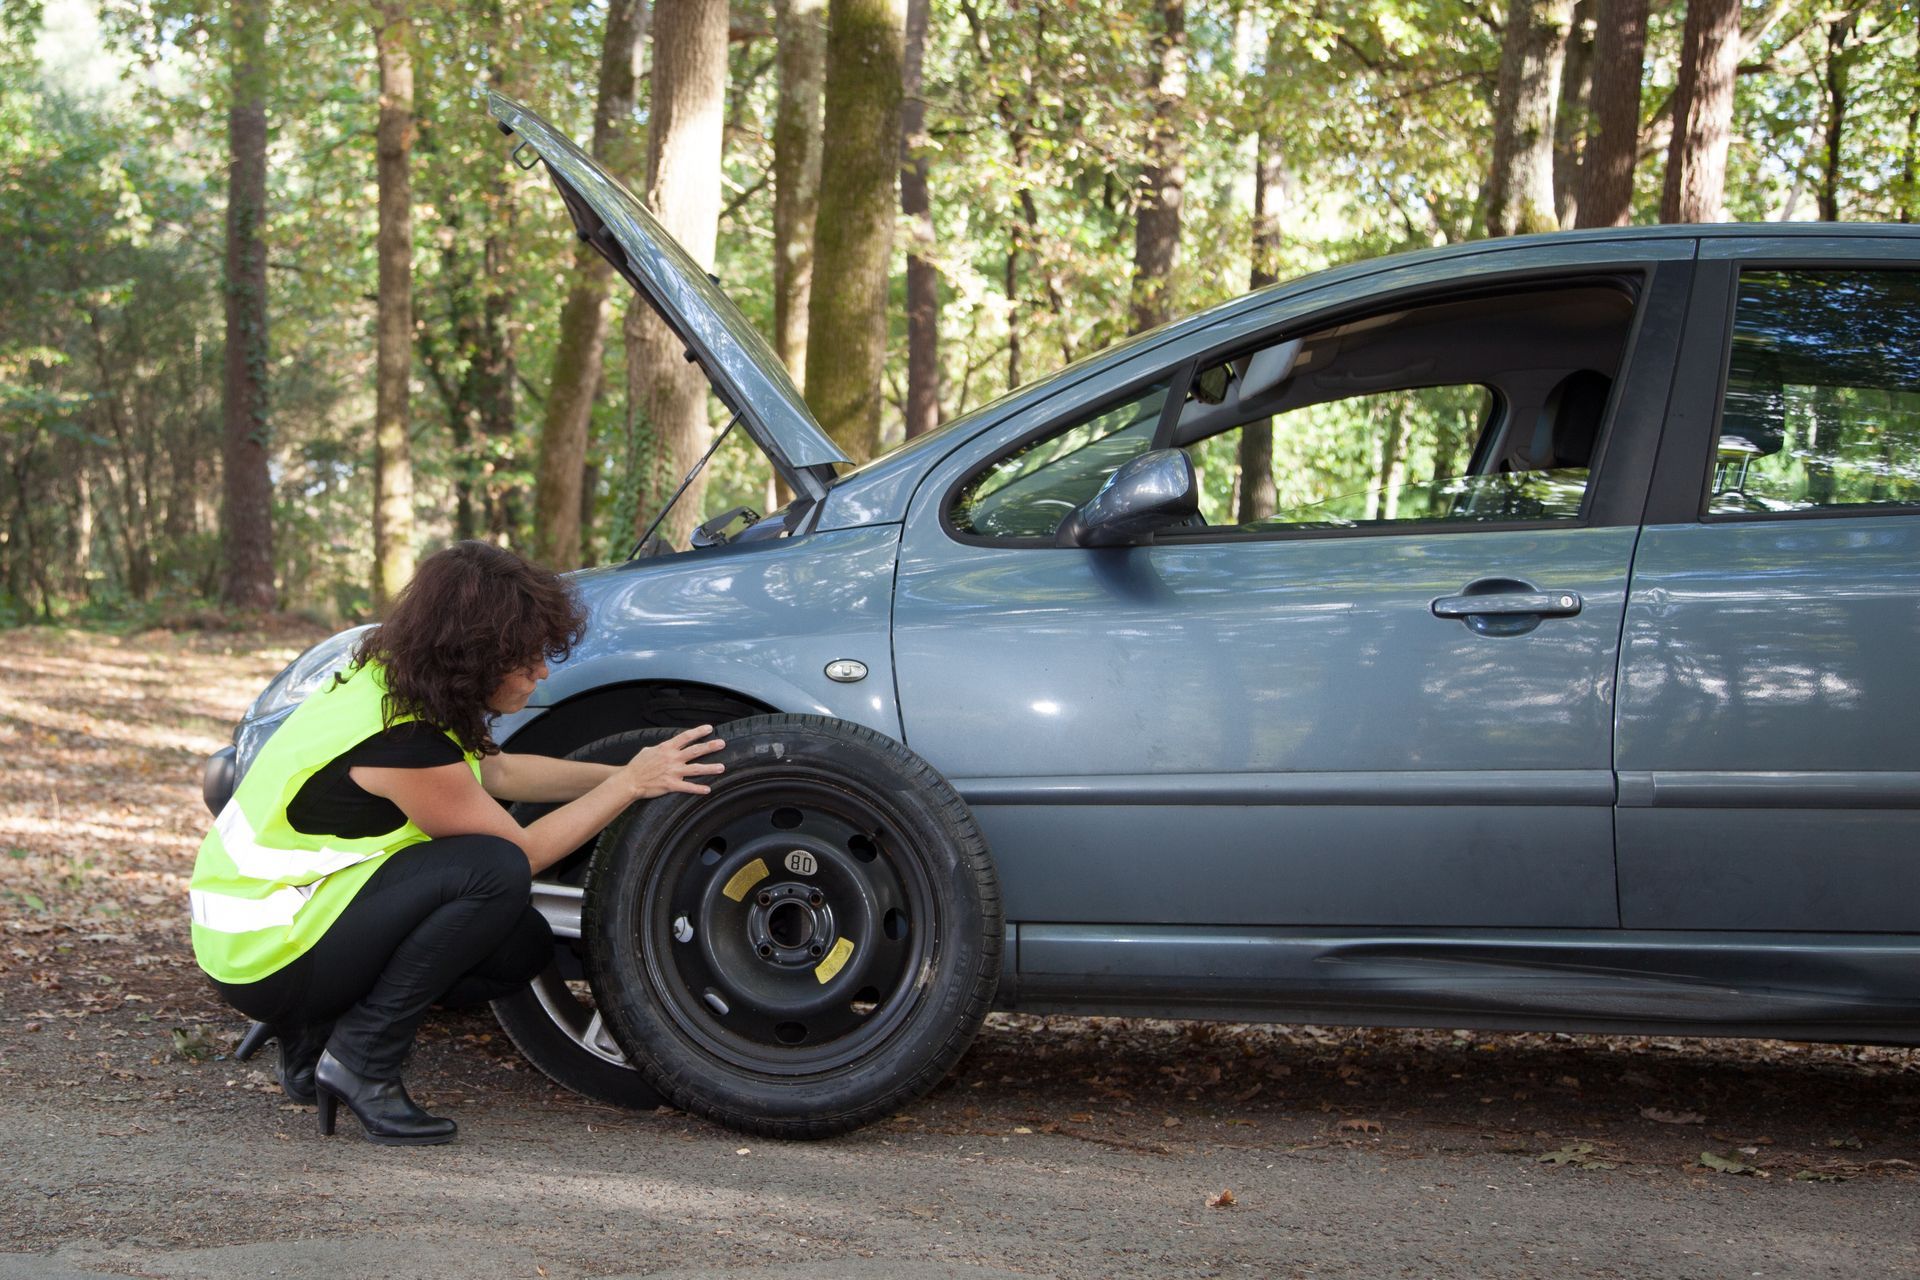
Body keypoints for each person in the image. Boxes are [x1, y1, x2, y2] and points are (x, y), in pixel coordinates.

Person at [187, 541, 725, 1146]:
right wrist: (629, 785)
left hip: (273, 924)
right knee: (493, 871)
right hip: (265, 951)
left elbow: (500, 772)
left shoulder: (392, 681)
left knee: (518, 947)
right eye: (527, 659)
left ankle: (312, 1031)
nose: (542, 673)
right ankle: (361, 1060)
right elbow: (523, 854)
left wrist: (630, 773)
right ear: (476, 655)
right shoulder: (400, 741)